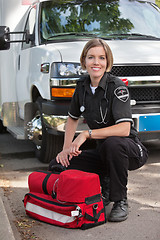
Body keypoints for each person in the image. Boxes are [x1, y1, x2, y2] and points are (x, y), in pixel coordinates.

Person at [49, 38, 148, 222]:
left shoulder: (117, 87)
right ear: (84, 61)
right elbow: (72, 118)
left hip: (130, 150)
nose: (96, 62)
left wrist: (87, 134)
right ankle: (102, 187)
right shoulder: (82, 86)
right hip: (103, 151)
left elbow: (125, 128)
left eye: (102, 58)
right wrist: (66, 148)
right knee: (58, 163)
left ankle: (120, 200)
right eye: (91, 57)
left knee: (113, 144)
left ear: (107, 62)